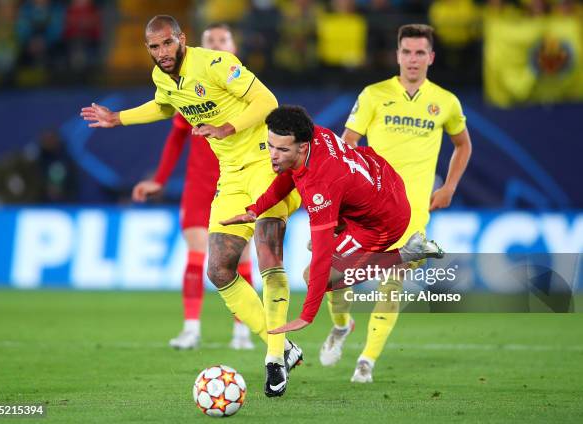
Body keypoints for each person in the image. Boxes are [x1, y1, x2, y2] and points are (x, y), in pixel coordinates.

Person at [80, 15, 303, 398]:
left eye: (167, 43)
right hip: (232, 176)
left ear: (181, 39)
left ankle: (273, 360)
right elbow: (164, 106)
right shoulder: (162, 78)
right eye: (154, 47)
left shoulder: (216, 64)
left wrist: (227, 128)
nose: (162, 53)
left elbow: (268, 101)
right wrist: (118, 118)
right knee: (218, 269)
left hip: (268, 165)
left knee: (268, 256)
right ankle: (281, 344)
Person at [321, 23, 472, 383]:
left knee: (392, 282)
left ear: (431, 57)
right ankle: (341, 326)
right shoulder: (374, 94)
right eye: (407, 52)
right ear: (397, 55)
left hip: (413, 213)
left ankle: (367, 361)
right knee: (332, 277)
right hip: (368, 207)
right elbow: (348, 142)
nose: (413, 59)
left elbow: (463, 144)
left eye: (420, 52)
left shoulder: (445, 102)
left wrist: (449, 186)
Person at [221, 105, 444, 333]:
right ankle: (346, 238)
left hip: (382, 221)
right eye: (270, 146)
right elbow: (289, 174)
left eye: (282, 150)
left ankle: (407, 253)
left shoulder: (320, 186)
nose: (273, 155)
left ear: (302, 147)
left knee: (314, 275)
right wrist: (255, 209)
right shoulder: (313, 133)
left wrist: (306, 316)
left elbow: (321, 257)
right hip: (383, 180)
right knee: (320, 241)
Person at [131, 23, 255, 351]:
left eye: (222, 41)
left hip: (239, 180)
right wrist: (159, 179)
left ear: (233, 46)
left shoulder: (243, 87)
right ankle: (191, 328)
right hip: (200, 184)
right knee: (197, 254)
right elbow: (175, 137)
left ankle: (242, 331)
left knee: (240, 257)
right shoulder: (188, 85)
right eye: (210, 41)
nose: (216, 45)